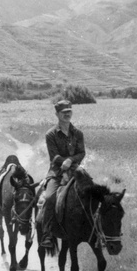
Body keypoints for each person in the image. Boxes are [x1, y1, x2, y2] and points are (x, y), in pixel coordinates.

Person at [38, 100, 85, 247]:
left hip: (75, 170)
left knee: (92, 192)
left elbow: (82, 152)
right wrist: (63, 162)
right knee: (50, 197)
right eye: (64, 113)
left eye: (69, 112)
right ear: (57, 114)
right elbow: (54, 157)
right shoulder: (50, 134)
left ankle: (95, 231)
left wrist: (71, 161)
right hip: (57, 171)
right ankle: (47, 234)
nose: (67, 115)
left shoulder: (77, 133)